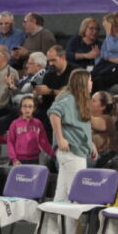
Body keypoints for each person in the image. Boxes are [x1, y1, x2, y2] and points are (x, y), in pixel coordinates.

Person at [48, 69, 96, 203]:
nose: (92, 83)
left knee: (62, 197)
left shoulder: (79, 101)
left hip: (75, 152)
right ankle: (69, 224)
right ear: (83, 82)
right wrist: (60, 139)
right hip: (72, 153)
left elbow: (80, 128)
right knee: (76, 196)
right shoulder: (69, 99)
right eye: (90, 80)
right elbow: (54, 113)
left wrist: (90, 144)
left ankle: (56, 224)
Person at [92, 12, 118, 92]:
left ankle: (101, 102)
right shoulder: (109, 39)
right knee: (89, 78)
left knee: (98, 80)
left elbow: (114, 52)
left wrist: (108, 33)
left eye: (109, 26)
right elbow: (103, 57)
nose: (107, 28)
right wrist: (106, 57)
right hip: (107, 69)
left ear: (116, 25)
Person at [7, 95, 54, 165]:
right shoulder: (15, 124)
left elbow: (44, 142)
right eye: (24, 106)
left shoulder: (38, 123)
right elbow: (10, 142)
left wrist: (54, 154)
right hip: (19, 160)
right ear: (20, 108)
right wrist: (14, 159)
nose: (27, 109)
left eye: (30, 106)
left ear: (34, 108)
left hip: (34, 160)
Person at [91, 90, 118, 154]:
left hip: (106, 158)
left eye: (93, 101)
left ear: (102, 107)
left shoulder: (108, 119)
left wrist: (81, 108)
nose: (89, 102)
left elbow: (92, 122)